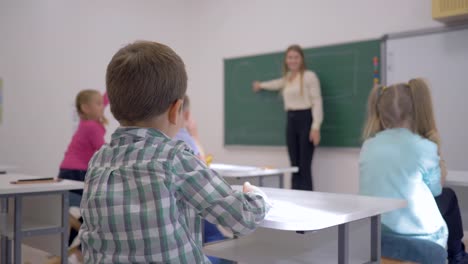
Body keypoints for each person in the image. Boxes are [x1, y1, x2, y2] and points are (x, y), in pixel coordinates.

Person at [80, 40, 271, 263]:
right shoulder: (173, 157)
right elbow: (241, 218)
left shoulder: (98, 160)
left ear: (113, 108)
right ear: (175, 110)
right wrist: (255, 195)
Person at [360, 79, 467, 264]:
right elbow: (435, 190)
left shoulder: (367, 146)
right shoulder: (424, 147)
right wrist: (439, 157)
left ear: (382, 118)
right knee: (447, 196)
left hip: (375, 233)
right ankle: (458, 257)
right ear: (416, 114)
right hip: (421, 240)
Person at [252, 44, 323, 191]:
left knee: (304, 165)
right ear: (286, 60)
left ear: (301, 59)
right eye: (290, 57)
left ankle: (309, 201)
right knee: (294, 165)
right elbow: (276, 84)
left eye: (296, 57)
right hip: (291, 120)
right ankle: (295, 198)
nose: (293, 60)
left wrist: (315, 127)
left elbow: (317, 101)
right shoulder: (288, 78)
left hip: (306, 119)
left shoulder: (309, 76)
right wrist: (261, 85)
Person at [174, 95, 226, 263]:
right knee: (218, 239)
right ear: (187, 115)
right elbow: (202, 167)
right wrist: (195, 135)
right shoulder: (183, 137)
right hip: (191, 212)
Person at [58, 89, 108, 248]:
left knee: (87, 211)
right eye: (98, 104)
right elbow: (103, 150)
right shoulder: (92, 127)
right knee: (93, 209)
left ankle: (69, 247)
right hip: (77, 173)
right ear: (86, 108)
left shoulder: (85, 123)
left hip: (67, 170)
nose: (102, 107)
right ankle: (81, 244)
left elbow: (105, 100)